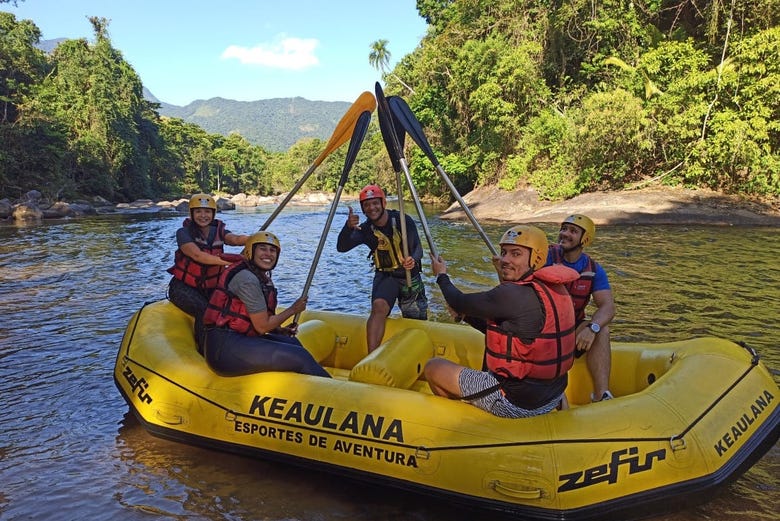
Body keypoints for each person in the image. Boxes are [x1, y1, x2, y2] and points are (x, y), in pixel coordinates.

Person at [425, 225, 579, 418]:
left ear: (537, 259)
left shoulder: (512, 294)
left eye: (516, 254)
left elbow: (458, 301)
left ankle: (462, 423)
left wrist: (441, 275)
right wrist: (465, 316)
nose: (505, 260)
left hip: (515, 401)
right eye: (504, 252)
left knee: (433, 367)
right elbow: (507, 331)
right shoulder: (552, 287)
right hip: (552, 395)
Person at [201, 231, 331, 378]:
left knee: (293, 343)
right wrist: (293, 309)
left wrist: (278, 330)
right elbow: (262, 326)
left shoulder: (258, 275)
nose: (268, 254)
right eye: (262, 248)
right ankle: (335, 394)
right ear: (251, 251)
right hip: (224, 350)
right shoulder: (247, 279)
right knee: (300, 356)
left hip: (240, 339)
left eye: (272, 250)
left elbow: (253, 320)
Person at [336, 184, 428, 353]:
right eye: (367, 205)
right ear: (363, 209)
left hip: (409, 276)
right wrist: (347, 228)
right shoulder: (365, 230)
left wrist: (412, 260)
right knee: (378, 307)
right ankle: (371, 356)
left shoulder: (402, 220)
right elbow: (342, 247)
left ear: (383, 203)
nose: (372, 208)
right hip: (387, 277)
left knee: (416, 320)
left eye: (375, 203)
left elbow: (418, 249)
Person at [547, 214, 616, 402]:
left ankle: (602, 394)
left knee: (603, 330)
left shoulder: (593, 269)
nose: (565, 234)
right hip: (542, 326)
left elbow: (608, 307)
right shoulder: (545, 255)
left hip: (570, 329)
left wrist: (592, 328)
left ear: (585, 239)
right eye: (563, 229)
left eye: (573, 231)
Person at [167, 193, 248, 348]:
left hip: (211, 288)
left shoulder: (219, 230)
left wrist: (251, 239)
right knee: (204, 311)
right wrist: (230, 261)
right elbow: (198, 255)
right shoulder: (183, 233)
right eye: (198, 211)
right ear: (191, 214)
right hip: (183, 288)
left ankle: (232, 343)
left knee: (228, 308)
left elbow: (236, 239)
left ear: (213, 214)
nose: (203, 215)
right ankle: (205, 350)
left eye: (207, 212)